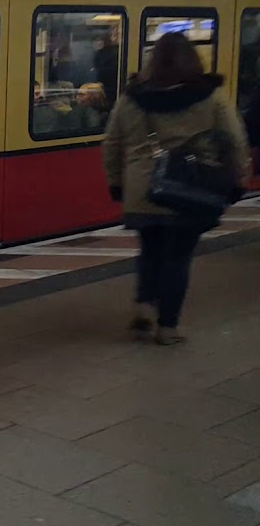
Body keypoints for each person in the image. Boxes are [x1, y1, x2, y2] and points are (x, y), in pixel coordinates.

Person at [103, 31, 252, 345]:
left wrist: (116, 182)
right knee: (178, 257)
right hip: (191, 189)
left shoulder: (132, 97)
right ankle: (167, 327)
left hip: (144, 191)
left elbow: (112, 143)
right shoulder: (210, 97)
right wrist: (239, 180)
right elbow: (236, 141)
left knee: (151, 250)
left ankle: (144, 306)